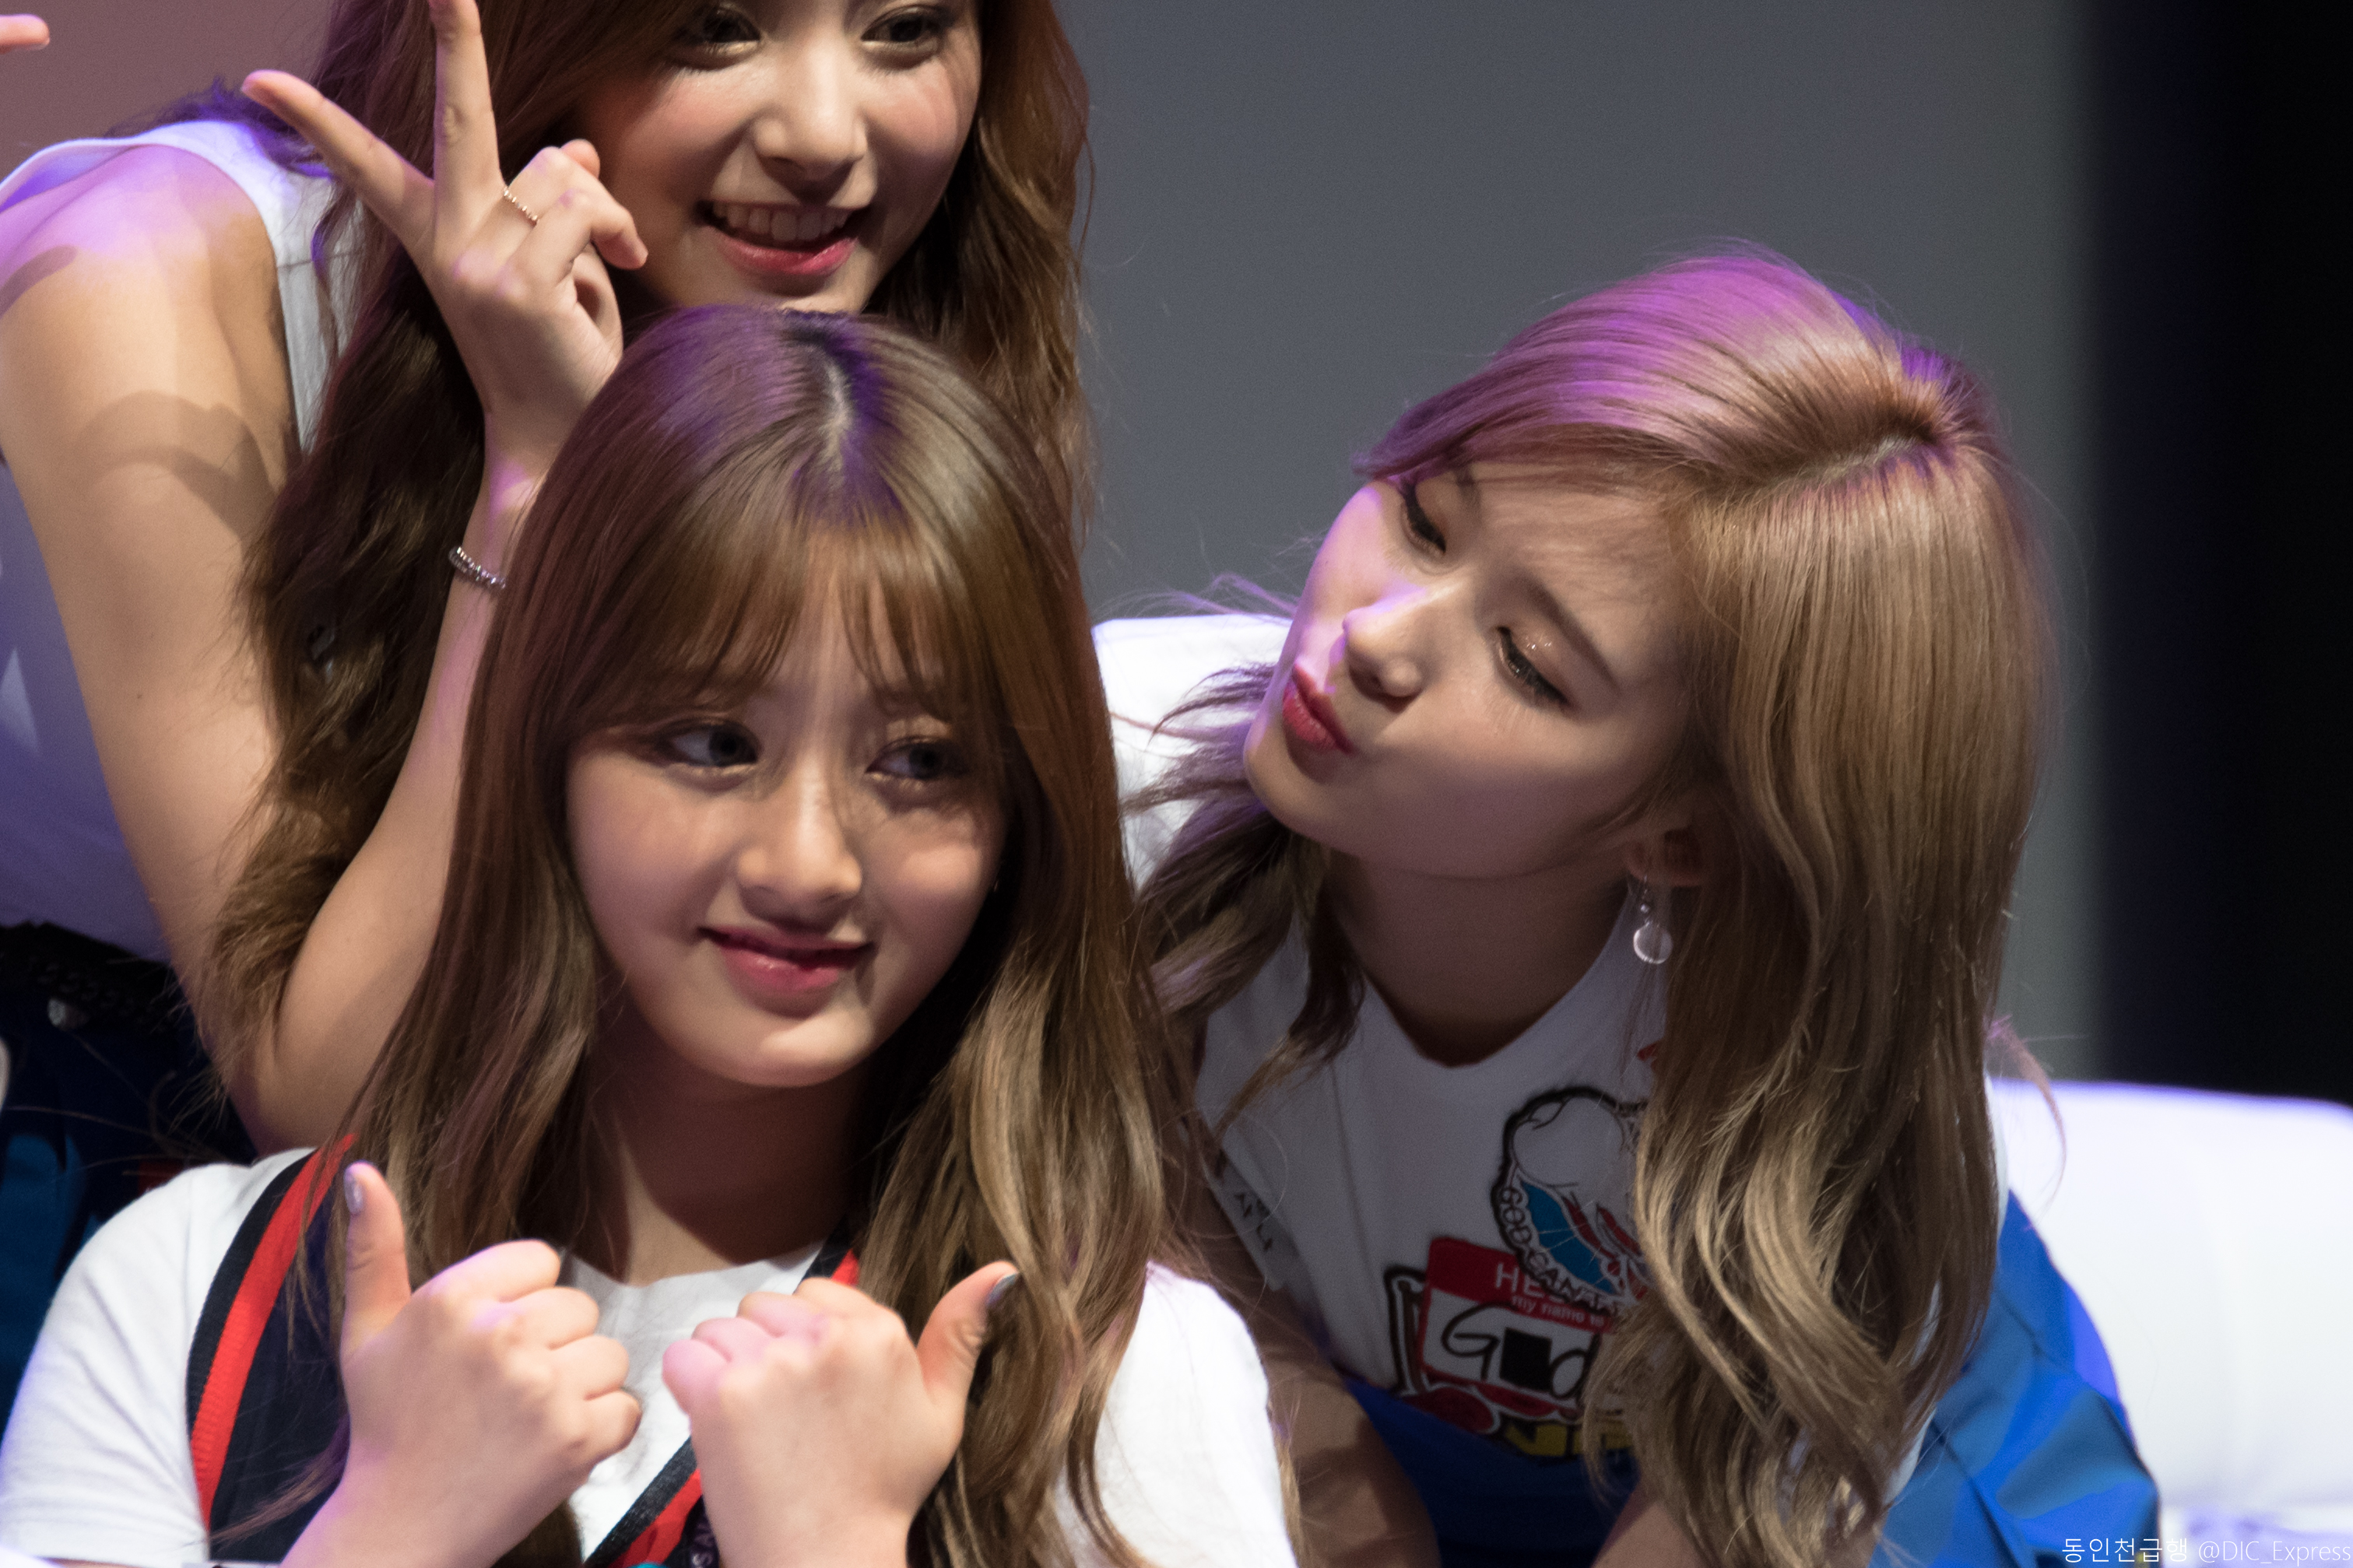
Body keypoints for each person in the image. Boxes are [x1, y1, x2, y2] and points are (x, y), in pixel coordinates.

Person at [0, 303, 1293, 1567]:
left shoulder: (1116, 1372)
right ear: (545, 748)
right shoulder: (194, 1285)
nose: (807, 865)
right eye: (713, 744)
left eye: (918, 762)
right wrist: (384, 1537)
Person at [0, 0, 1087, 1418]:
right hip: (114, 1159)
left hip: (591, 1181)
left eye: (903, 28)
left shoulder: (901, 318)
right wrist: (537, 477)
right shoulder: (144, 267)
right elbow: (324, 1097)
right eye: (717, 27)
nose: (829, 135)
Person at [1098, 253, 2158, 1568]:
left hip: (1879, 1476)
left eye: (1528, 664)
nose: (1375, 636)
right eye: (1424, 518)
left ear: (1680, 835)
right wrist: (1309, 1436)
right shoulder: (1108, 784)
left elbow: (1737, 1504)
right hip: (1395, 1444)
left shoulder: (1812, 1089)